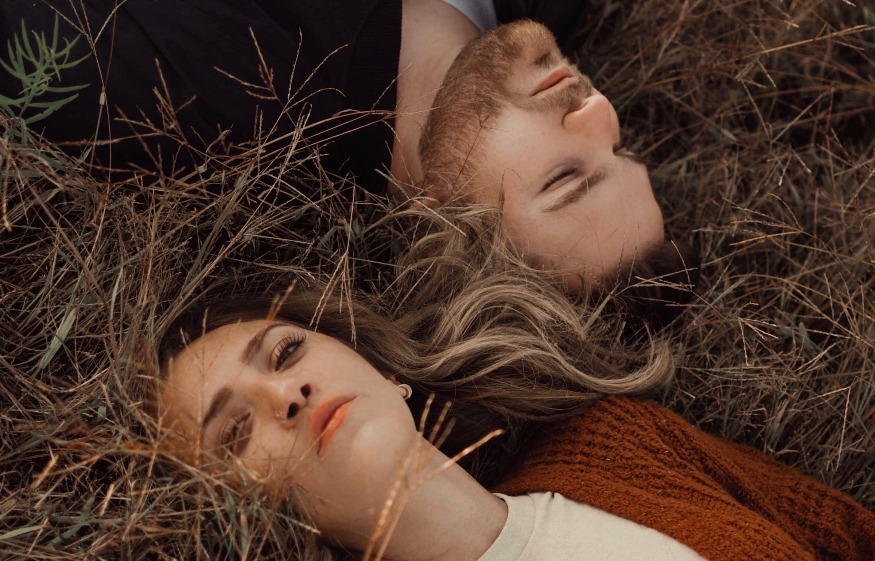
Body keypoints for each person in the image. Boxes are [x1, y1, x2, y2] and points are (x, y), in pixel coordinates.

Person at [156, 262, 874, 561]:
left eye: (285, 352)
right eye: (237, 430)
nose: (286, 395)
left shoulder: (620, 442)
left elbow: (848, 535)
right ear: (244, 511)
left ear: (381, 369)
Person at [0, 2, 685, 290]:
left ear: (440, 231)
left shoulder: (178, 92)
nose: (597, 112)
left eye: (566, 177)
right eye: (621, 149)